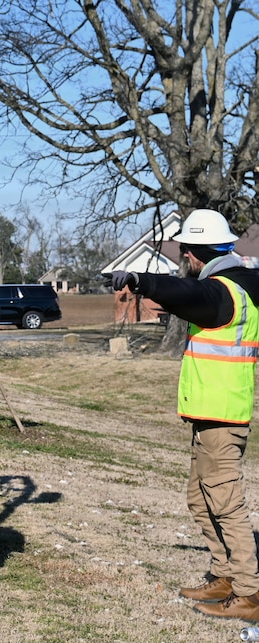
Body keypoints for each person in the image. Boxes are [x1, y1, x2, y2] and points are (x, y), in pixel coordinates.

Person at [111, 208, 259, 621]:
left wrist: (142, 281)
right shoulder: (241, 284)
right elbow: (194, 305)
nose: (185, 263)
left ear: (194, 254)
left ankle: (250, 594)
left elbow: (189, 295)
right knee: (200, 498)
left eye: (185, 254)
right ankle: (226, 575)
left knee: (227, 504)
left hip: (222, 415)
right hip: (210, 413)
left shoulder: (224, 290)